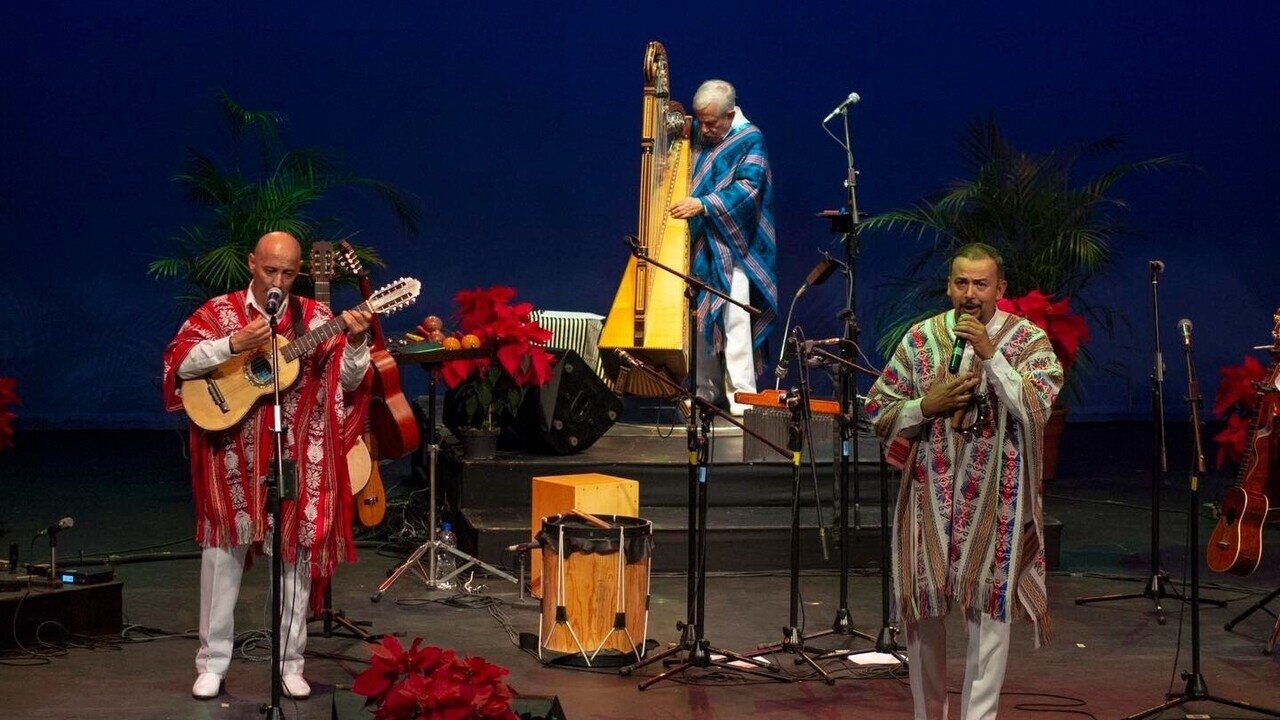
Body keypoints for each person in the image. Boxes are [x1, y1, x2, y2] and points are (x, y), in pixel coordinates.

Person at [162, 231, 373, 701]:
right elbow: (180, 363)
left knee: (294, 555)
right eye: (270, 269)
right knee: (222, 557)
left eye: (288, 272)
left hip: (294, 455)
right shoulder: (218, 313)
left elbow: (351, 381)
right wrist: (233, 344)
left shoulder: (316, 318)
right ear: (252, 263)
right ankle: (212, 662)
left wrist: (357, 343)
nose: (278, 280)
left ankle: (290, 662)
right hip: (231, 452)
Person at [864, 243, 1063, 720]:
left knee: (990, 616)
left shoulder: (1027, 341)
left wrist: (993, 358)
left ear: (1000, 289)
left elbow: (1037, 408)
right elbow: (877, 409)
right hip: (929, 495)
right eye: (961, 283)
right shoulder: (921, 338)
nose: (969, 294)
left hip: (1000, 500)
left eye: (980, 284)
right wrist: (923, 406)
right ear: (949, 285)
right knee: (924, 615)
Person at [669, 79, 777, 415]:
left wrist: (702, 205)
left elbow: (747, 189)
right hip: (705, 243)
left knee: (734, 320)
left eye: (711, 122)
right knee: (701, 320)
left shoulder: (750, 138)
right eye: (701, 121)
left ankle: (742, 397)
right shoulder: (702, 135)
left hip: (737, 246)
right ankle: (706, 392)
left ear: (730, 114)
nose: (704, 128)